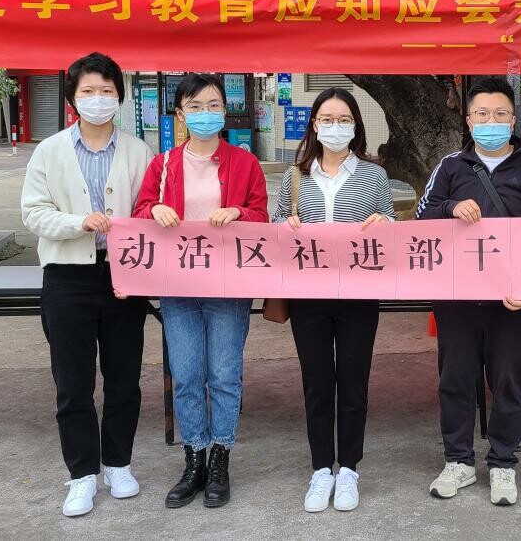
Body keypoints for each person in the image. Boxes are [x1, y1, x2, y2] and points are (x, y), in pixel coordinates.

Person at [21, 52, 153, 517]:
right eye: (89, 91)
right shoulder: (49, 150)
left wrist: (141, 268)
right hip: (67, 278)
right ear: (73, 99)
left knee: (124, 378)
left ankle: (118, 463)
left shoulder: (138, 151)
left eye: (107, 91)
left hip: (123, 278)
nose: (99, 99)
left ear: (120, 96)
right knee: (73, 382)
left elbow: (149, 212)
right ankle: (81, 474)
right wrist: (78, 222)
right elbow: (33, 213)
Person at [132, 73, 268, 510]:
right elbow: (140, 212)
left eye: (213, 105)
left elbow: (262, 217)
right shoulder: (164, 164)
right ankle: (194, 460)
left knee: (224, 375)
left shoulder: (245, 163)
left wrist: (239, 212)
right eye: (195, 107)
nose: (205, 114)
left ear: (224, 111)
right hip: (178, 285)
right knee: (187, 375)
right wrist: (155, 209)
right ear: (180, 114)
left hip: (228, 284)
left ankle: (220, 458)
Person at [416, 76, 521, 507]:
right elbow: (421, 218)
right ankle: (458, 460)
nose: (490, 122)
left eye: (499, 114)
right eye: (481, 114)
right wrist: (450, 207)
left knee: (508, 381)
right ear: (468, 120)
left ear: (513, 120)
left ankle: (502, 463)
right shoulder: (450, 166)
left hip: (512, 299)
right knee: (455, 380)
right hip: (457, 297)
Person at [271, 88, 396, 513]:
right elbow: (276, 224)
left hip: (358, 294)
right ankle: (321, 468)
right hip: (309, 295)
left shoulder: (374, 176)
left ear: (356, 126)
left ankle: (350, 470)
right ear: (314, 124)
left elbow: (389, 222)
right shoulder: (295, 176)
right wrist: (286, 224)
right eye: (327, 119)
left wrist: (384, 222)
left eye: (344, 119)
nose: (335, 127)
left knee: (354, 383)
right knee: (317, 382)